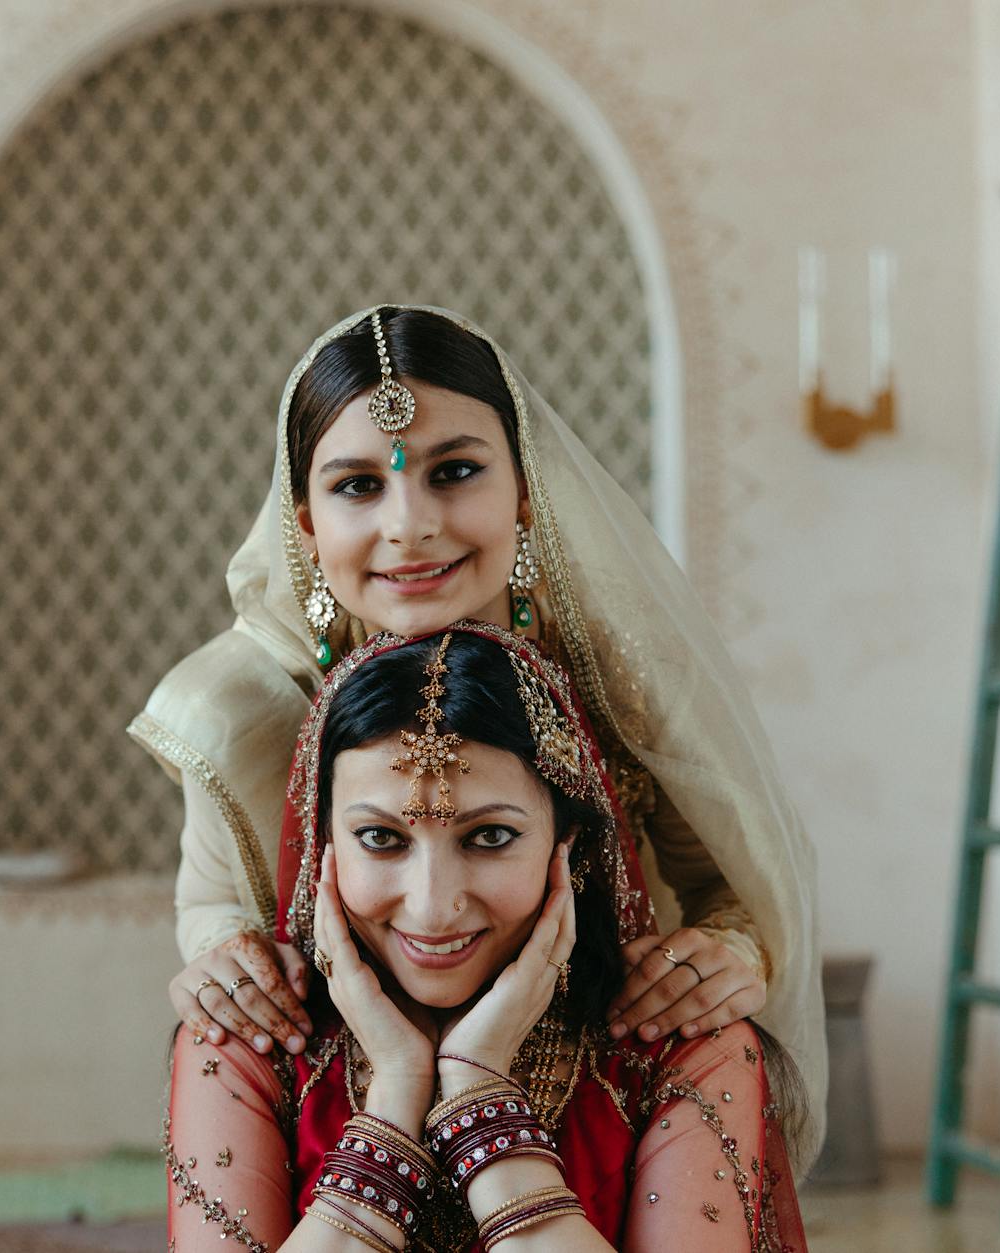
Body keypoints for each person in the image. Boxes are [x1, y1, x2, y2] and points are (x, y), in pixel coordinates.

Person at [129, 306, 824, 1168]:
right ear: (304, 521)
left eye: (454, 471)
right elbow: (215, 909)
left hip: (599, 1095)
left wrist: (726, 953)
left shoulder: (625, 681)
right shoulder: (236, 710)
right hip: (341, 1113)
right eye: (357, 485)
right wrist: (227, 963)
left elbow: (735, 885)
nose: (410, 524)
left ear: (525, 491)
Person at [162, 624, 808, 1252]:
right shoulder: (249, 1046)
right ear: (321, 845)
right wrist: (393, 1098)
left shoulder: (678, 1050)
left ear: (568, 846)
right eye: (381, 838)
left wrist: (480, 1102)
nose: (434, 905)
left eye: (490, 836)